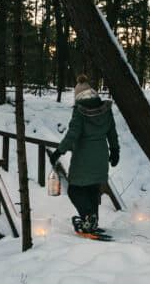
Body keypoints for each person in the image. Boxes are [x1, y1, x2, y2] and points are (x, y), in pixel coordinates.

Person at [49, 74, 120, 233]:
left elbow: (72, 134)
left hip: (83, 157)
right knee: (93, 190)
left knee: (74, 190)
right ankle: (92, 221)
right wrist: (115, 151)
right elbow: (112, 132)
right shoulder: (105, 109)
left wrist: (59, 151)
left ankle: (88, 217)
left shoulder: (79, 111)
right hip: (101, 156)